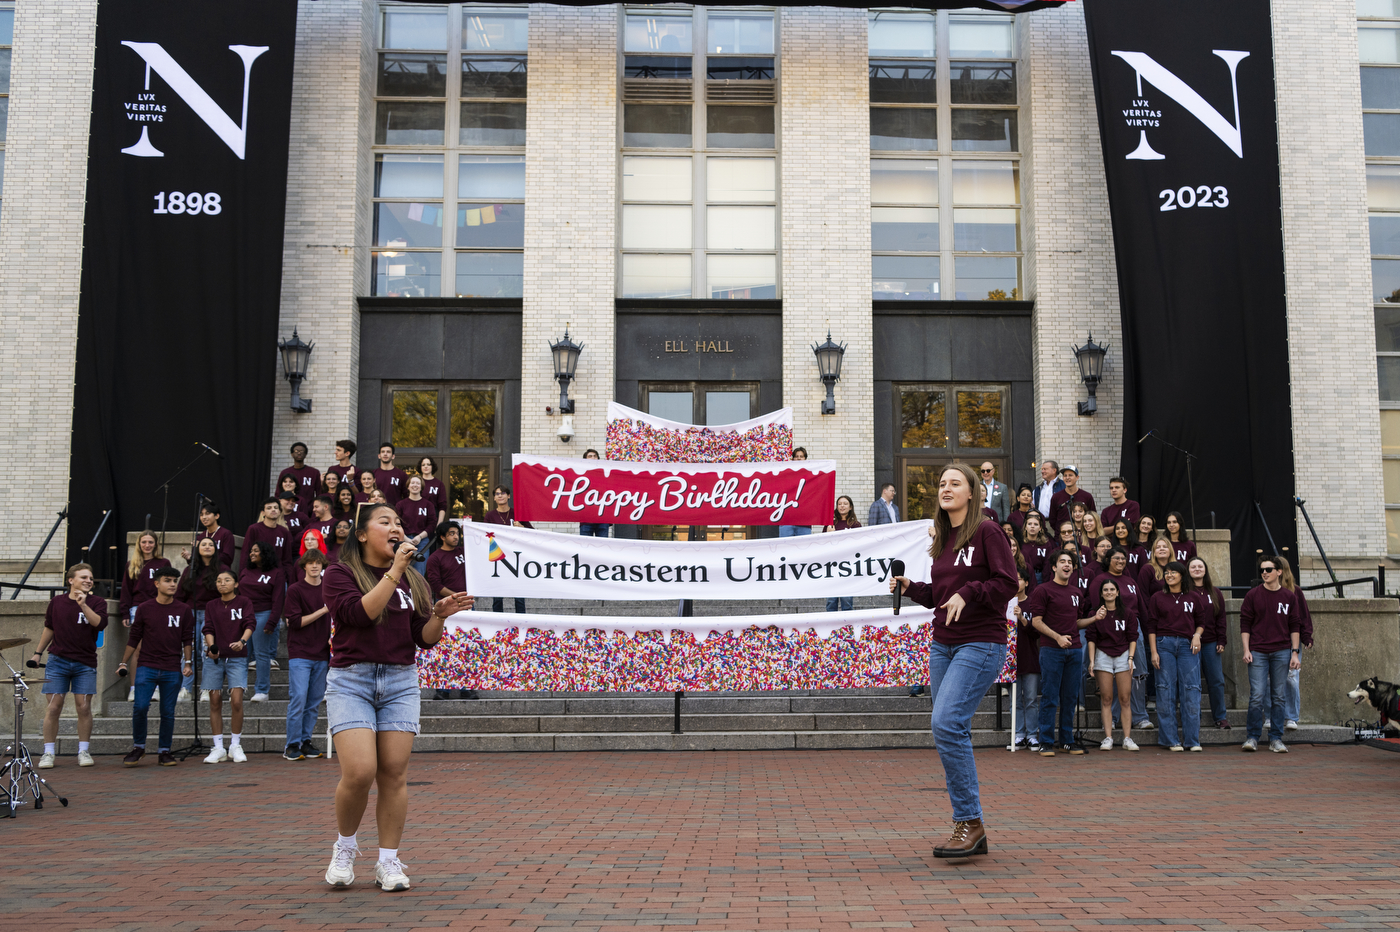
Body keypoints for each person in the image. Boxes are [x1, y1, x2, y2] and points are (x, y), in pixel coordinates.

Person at [321, 503, 473, 890]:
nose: (396, 528)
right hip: (351, 680)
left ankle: (388, 861)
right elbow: (359, 614)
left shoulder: (414, 581)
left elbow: (423, 638)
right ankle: (345, 847)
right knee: (359, 771)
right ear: (360, 534)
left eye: (399, 523)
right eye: (385, 522)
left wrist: (438, 615)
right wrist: (394, 572)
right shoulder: (340, 573)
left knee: (393, 772)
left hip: (400, 681)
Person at [888, 463, 1016, 858]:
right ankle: (969, 824)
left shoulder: (987, 531)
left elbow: (1008, 582)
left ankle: (970, 823)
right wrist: (913, 588)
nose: (946, 488)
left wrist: (971, 591)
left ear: (972, 492)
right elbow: (943, 593)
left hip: (980, 643)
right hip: (942, 642)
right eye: (942, 483)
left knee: (946, 722)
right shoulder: (943, 538)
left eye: (955, 483)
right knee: (949, 728)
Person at [31, 564, 106, 768]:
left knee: (83, 707)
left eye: (91, 578)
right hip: (58, 661)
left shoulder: (97, 602)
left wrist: (83, 605)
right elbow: (49, 628)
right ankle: (48, 753)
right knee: (54, 707)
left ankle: (83, 750)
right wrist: (37, 654)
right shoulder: (56, 602)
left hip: (85, 662)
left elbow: (99, 624)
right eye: (83, 577)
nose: (88, 581)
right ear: (70, 580)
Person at [119, 568, 193, 767]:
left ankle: (164, 751)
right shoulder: (144, 608)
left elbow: (187, 638)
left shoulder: (183, 609)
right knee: (140, 706)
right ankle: (139, 747)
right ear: (156, 584)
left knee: (168, 711)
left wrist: (187, 663)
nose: (172, 584)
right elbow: (134, 637)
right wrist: (123, 662)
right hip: (147, 665)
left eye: (175, 581)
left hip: (172, 667)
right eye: (167, 580)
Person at [1239, 557, 1302, 753]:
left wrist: (1295, 653)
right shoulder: (1253, 595)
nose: (1264, 573)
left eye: (1268, 569)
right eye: (1262, 570)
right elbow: (1245, 624)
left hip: (1282, 651)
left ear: (1279, 572)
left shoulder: (1289, 596)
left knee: (1279, 696)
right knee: (1257, 695)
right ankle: (1252, 737)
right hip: (1257, 650)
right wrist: (1246, 649)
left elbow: (1294, 626)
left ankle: (1276, 738)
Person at [1026, 549, 1085, 756]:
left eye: (1070, 562)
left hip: (1075, 650)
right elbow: (1036, 621)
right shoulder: (1043, 590)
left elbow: (1076, 622)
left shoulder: (1077, 592)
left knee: (1070, 697)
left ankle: (1067, 740)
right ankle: (1046, 741)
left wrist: (1095, 619)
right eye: (1062, 561)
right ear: (1053, 567)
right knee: (1050, 696)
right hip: (1051, 650)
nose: (1067, 565)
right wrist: (1057, 637)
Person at [1145, 561, 1205, 752]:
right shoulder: (1157, 597)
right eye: (1167, 573)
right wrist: (1154, 651)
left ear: (1182, 575)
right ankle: (1170, 740)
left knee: (1191, 690)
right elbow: (1151, 626)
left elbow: (1202, 621)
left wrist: (1197, 635)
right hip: (1164, 645)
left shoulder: (1193, 596)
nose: (1169, 575)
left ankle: (1192, 740)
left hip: (1189, 646)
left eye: (1173, 572)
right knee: (1165, 690)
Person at [1089, 546, 1149, 732]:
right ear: (1108, 560)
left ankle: (1140, 716)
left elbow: (1141, 606)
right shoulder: (1100, 580)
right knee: (1111, 677)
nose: (1121, 561)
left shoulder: (1131, 581)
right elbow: (1095, 606)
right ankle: (1113, 718)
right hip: (1108, 630)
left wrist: (1146, 629)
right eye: (1116, 558)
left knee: (1136, 673)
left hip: (1132, 628)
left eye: (1123, 558)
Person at [200, 569, 255, 764]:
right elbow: (208, 628)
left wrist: (242, 641)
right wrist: (211, 647)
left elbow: (250, 623)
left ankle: (235, 744)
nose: (222, 583)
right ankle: (218, 747)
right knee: (214, 701)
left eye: (227, 580)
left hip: (237, 657)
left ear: (236, 584)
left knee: (237, 700)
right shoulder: (211, 605)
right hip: (215, 658)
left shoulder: (244, 602)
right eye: (219, 580)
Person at [284, 550, 332, 761]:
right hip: (300, 652)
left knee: (313, 702)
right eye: (310, 563)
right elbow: (294, 622)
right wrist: (323, 610)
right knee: (299, 699)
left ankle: (306, 741)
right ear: (303, 566)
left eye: (318, 563)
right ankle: (291, 745)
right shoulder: (295, 590)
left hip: (322, 653)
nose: (314, 566)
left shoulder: (329, 588)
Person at [1082, 578, 1139, 751]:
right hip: (1103, 655)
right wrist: (1092, 661)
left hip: (1123, 655)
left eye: (1112, 589)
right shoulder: (1096, 613)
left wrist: (1130, 658)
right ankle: (1108, 737)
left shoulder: (1127, 613)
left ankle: (1127, 738)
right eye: (1105, 590)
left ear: (1117, 592)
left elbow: (1132, 637)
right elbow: (1091, 638)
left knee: (1125, 699)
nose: (1108, 592)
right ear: (1101, 593)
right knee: (1106, 698)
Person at [119, 529, 171, 701]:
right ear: (139, 544)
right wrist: (124, 611)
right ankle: (135, 688)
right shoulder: (132, 564)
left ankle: (155, 688)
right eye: (144, 542)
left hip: (160, 608)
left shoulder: (163, 563)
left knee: (158, 646)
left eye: (150, 542)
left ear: (155, 544)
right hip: (138, 608)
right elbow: (126, 590)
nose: (147, 545)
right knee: (138, 648)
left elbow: (170, 587)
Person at [240, 543, 286, 703]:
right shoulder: (245, 571)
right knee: (241, 653)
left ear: (265, 553)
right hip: (243, 615)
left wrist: (272, 622)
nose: (251, 553)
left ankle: (262, 690)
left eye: (256, 551)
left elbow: (278, 599)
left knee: (261, 654)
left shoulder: (276, 573)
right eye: (251, 551)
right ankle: (238, 687)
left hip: (263, 614)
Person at [1188, 556, 1230, 729]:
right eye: (1193, 567)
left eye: (1200, 566)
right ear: (1188, 571)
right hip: (1189, 644)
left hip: (1211, 642)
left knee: (1216, 681)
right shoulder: (1184, 592)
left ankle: (1220, 717)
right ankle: (1193, 717)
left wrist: (1222, 639)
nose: (1197, 569)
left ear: (1205, 570)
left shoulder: (1215, 592)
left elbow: (1220, 618)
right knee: (1192, 682)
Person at [178, 537, 222, 699]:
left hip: (211, 614)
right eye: (204, 544)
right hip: (190, 613)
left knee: (207, 651)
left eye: (211, 544)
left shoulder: (221, 569)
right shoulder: (190, 570)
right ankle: (186, 689)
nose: (207, 547)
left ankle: (207, 688)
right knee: (188, 651)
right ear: (198, 548)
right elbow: (180, 594)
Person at [1276, 556, 1311, 731]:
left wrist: (1307, 637)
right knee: (1270, 680)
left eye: (1271, 569)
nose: (1266, 573)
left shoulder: (1295, 592)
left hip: (1291, 642)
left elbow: (1303, 616)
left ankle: (1291, 717)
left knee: (1291, 679)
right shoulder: (1263, 591)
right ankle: (1273, 716)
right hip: (1271, 641)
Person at [485, 485, 530, 614]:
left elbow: (533, 533)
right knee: (498, 595)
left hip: (516, 557)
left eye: (503, 493)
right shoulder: (490, 515)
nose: (500, 495)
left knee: (519, 595)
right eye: (497, 493)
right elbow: (486, 535)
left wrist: (521, 526)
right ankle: (498, 622)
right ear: (494, 498)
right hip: (498, 558)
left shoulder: (518, 513)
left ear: (509, 496)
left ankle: (522, 621)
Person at [1011, 565, 1040, 751]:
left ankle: (1032, 734)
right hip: (1012, 660)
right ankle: (1019, 734)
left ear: (1027, 582)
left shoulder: (1032, 604)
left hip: (1030, 657)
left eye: (1020, 578)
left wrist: (1022, 618)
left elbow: (1036, 632)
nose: (1017, 581)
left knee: (1030, 699)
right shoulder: (1004, 604)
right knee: (1015, 700)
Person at [823, 495, 860, 611]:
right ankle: (830, 626)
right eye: (839, 504)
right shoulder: (830, 524)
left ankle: (847, 627)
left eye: (845, 504)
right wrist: (828, 534)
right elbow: (822, 545)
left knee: (847, 601)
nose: (842, 506)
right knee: (831, 601)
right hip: (832, 566)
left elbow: (859, 544)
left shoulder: (856, 525)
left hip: (848, 566)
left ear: (850, 507)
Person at [181, 502, 235, 567]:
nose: (204, 517)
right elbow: (196, 563)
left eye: (207, 514)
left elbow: (228, 559)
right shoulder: (200, 537)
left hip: (219, 571)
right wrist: (190, 558)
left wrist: (206, 550)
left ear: (217, 516)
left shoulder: (226, 534)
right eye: (201, 515)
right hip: (202, 571)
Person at [244, 497, 290, 573]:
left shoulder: (284, 531)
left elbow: (287, 559)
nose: (273, 510)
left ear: (279, 512)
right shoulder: (254, 529)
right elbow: (245, 554)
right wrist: (243, 574)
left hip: (278, 574)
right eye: (269, 508)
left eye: (276, 508)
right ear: (263, 513)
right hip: (257, 572)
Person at [395, 476, 436, 557]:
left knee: (420, 569)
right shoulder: (400, 504)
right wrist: (406, 538)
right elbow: (396, 523)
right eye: (412, 483)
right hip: (404, 540)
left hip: (422, 541)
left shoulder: (428, 505)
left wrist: (420, 537)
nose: (415, 485)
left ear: (421, 487)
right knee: (404, 568)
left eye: (418, 483)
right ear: (408, 486)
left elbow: (432, 524)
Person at [777, 448, 814, 537]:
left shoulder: (812, 474)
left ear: (805, 459)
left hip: (804, 521)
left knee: (804, 548)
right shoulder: (786, 473)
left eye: (801, 456)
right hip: (786, 519)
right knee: (785, 548)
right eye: (796, 456)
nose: (799, 458)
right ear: (793, 459)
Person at [426, 522, 466, 598]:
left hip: (467, 599)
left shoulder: (464, 551)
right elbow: (435, 585)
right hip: (447, 601)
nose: (456, 537)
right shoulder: (434, 558)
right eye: (452, 534)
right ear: (442, 537)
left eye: (457, 533)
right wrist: (456, 596)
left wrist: (469, 531)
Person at [578, 449, 612, 537]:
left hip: (603, 516)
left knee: (602, 547)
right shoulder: (579, 473)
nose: (593, 458)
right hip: (586, 516)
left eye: (595, 456)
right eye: (590, 456)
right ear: (585, 459)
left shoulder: (605, 473)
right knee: (585, 547)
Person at [279, 442, 322, 510]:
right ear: (292, 454)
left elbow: (319, 493)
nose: (299, 453)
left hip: (309, 510)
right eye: (296, 451)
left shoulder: (314, 472)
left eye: (302, 451)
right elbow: (278, 492)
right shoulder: (285, 472)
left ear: (305, 454)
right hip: (287, 509)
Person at [418, 457, 449, 527]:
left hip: (432, 519)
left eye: (428, 464)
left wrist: (439, 523)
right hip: (417, 519)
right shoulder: (415, 482)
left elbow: (442, 506)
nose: (426, 466)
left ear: (432, 467)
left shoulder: (438, 484)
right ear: (420, 467)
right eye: (423, 465)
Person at [1018, 513, 1049, 584]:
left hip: (1040, 576)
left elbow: (1047, 566)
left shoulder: (1046, 544)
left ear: (1040, 528)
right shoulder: (1020, 543)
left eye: (1035, 524)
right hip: (1023, 575)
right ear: (1025, 527)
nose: (1032, 526)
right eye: (1029, 524)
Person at [280, 490, 307, 565]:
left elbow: (310, 528)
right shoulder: (275, 517)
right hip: (280, 554)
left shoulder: (301, 516)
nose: (291, 502)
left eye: (293, 501)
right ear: (280, 501)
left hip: (297, 554)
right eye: (288, 500)